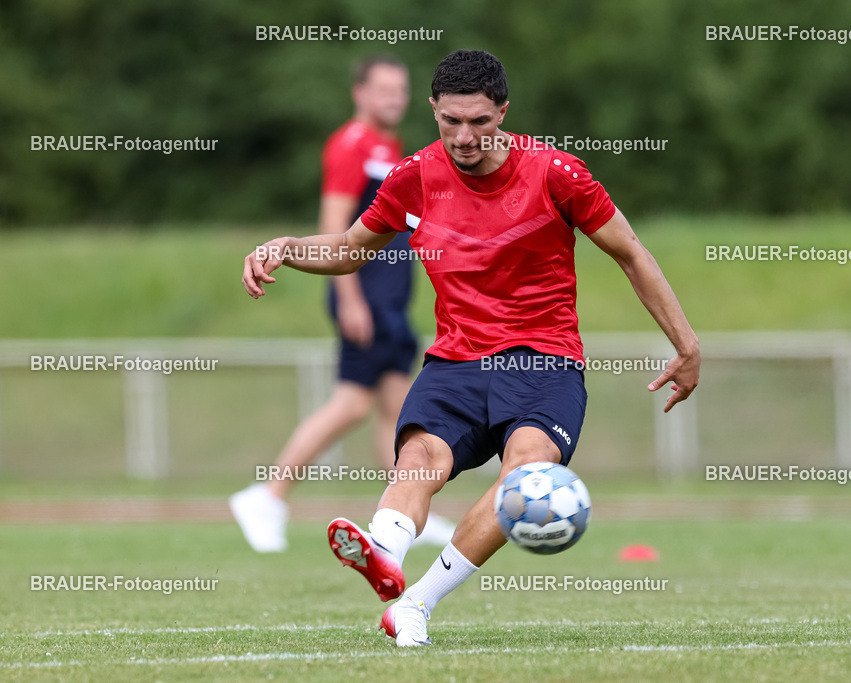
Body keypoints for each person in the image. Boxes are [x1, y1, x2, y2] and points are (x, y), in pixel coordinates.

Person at [241, 49, 700, 645]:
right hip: (456, 360)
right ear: (433, 110)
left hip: (543, 360)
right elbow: (351, 247)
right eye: (450, 121)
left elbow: (630, 251)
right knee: (419, 461)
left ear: (503, 112)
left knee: (526, 477)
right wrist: (287, 247)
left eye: (480, 122)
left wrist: (686, 345)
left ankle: (414, 605)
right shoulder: (414, 176)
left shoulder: (556, 173)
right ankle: (382, 551)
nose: (464, 137)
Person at [231, 54, 454, 553]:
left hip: (391, 302)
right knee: (352, 404)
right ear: (360, 94)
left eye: (401, 90)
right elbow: (336, 229)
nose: (394, 98)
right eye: (384, 90)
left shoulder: (389, 147)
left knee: (398, 413)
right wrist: (348, 297)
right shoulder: (351, 145)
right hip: (366, 300)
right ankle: (268, 494)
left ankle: (405, 513)